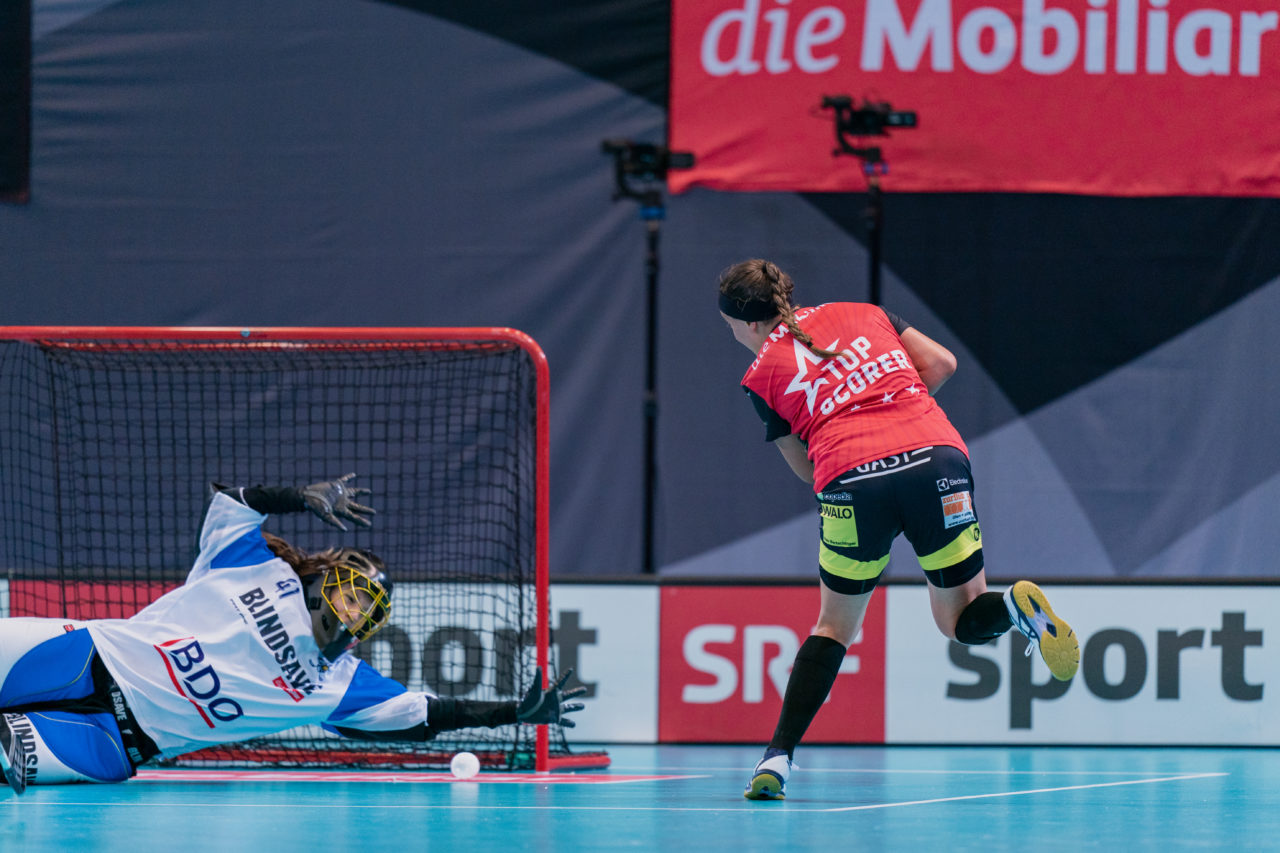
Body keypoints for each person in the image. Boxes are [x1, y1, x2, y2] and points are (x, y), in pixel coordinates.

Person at [717, 259, 1079, 801]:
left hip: (850, 479)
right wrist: (898, 415)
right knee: (959, 619)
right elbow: (942, 364)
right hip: (936, 459)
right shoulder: (864, 313)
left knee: (833, 628)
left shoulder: (760, 376)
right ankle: (1013, 610)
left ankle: (777, 761)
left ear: (746, 324)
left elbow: (807, 468)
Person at [0, 474, 584, 794]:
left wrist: (510, 711)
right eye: (355, 594)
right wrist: (300, 497)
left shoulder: (341, 683)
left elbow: (422, 712)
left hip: (114, 741)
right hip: (82, 654)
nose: (356, 614)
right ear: (329, 579)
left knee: (7, 756)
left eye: (368, 611)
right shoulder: (256, 565)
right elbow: (233, 500)